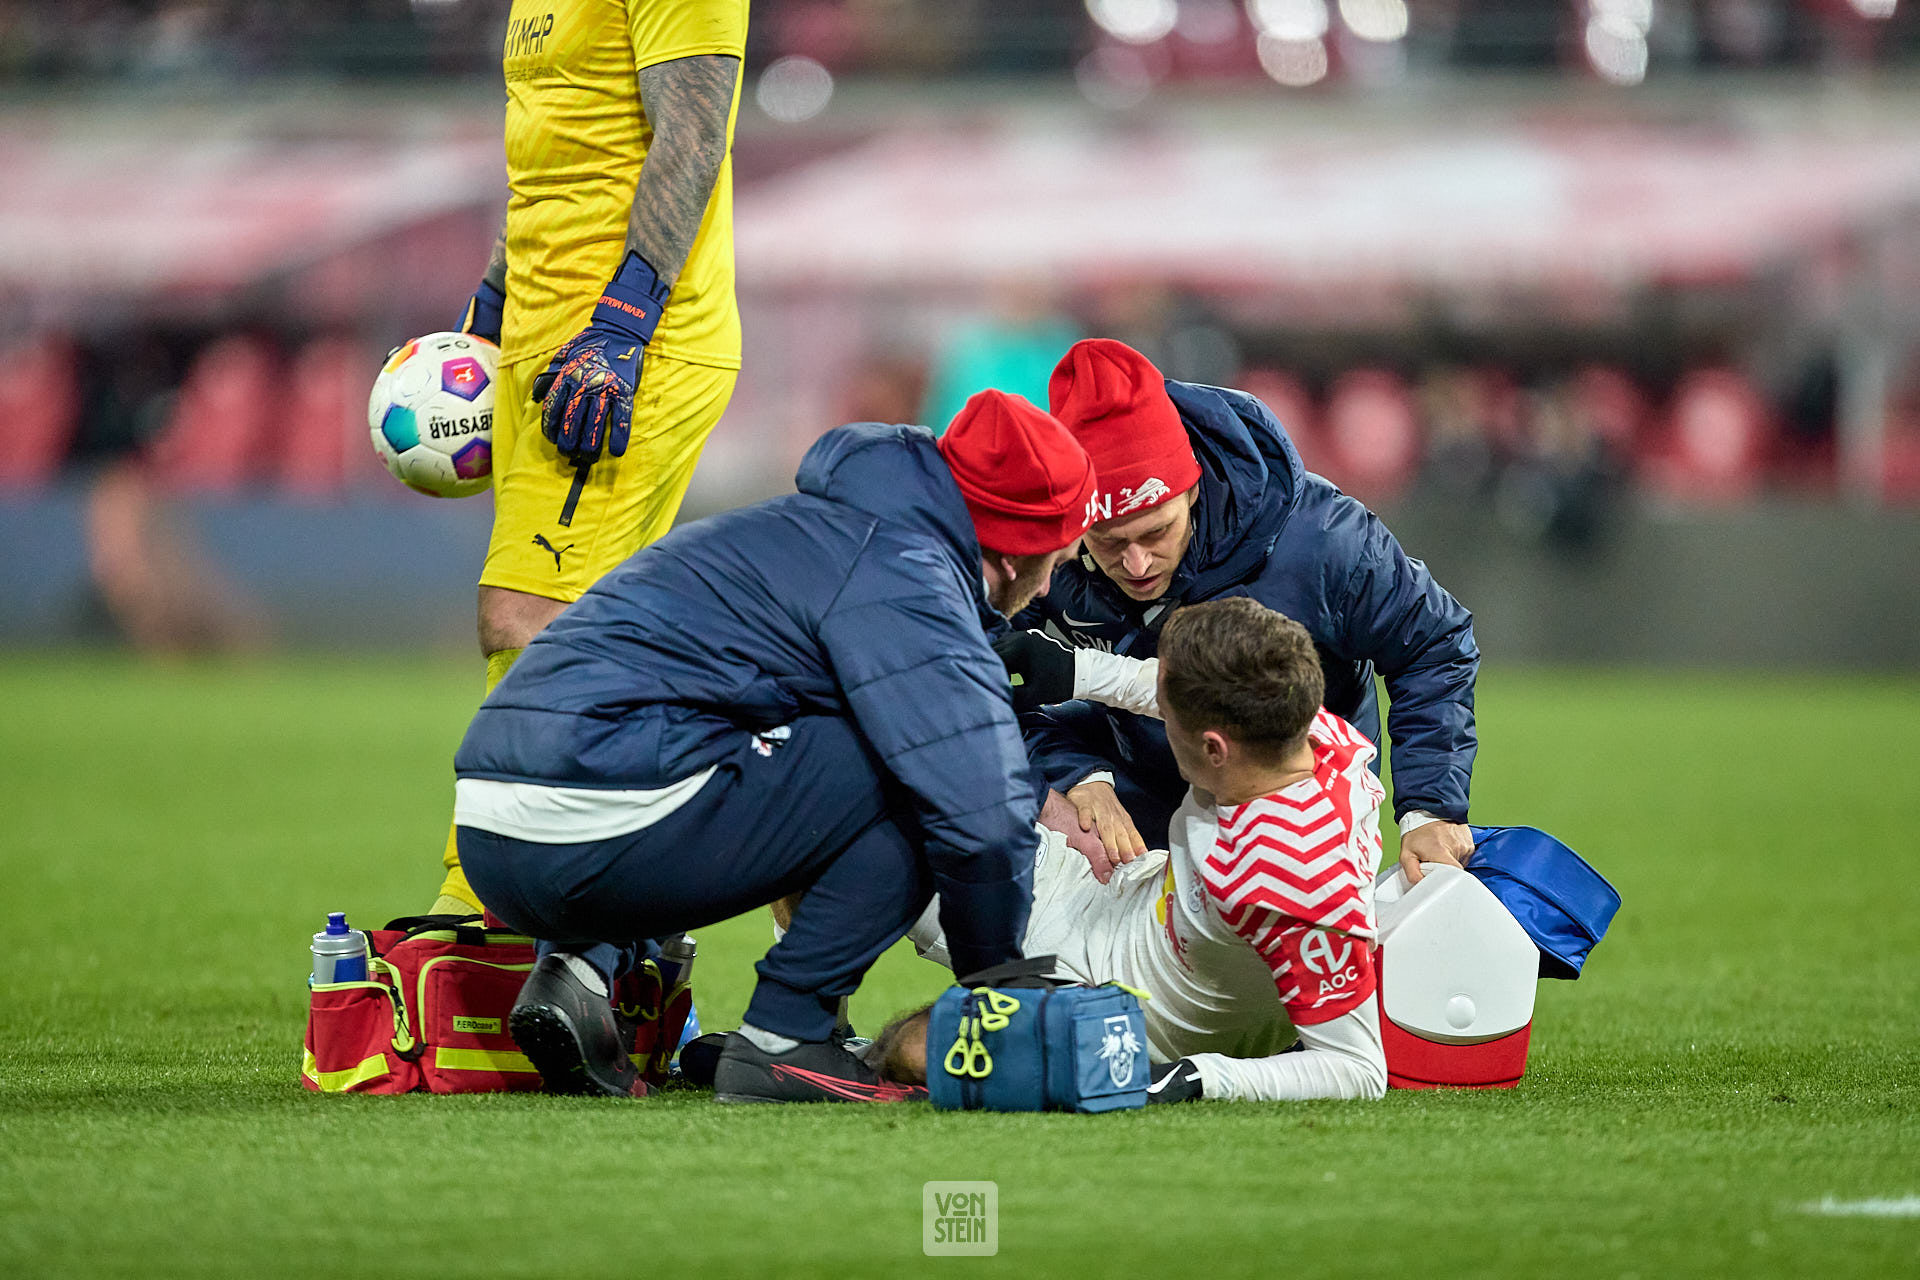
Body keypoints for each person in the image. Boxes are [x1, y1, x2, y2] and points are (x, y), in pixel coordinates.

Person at [452, 392, 1100, 1102]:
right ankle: (789, 1034)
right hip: (600, 819)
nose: (1058, 571)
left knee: (770, 736)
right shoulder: (907, 574)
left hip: (493, 830)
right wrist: (997, 984)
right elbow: (979, 812)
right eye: (1061, 551)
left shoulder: (810, 529)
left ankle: (576, 971)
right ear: (1014, 552)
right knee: (913, 766)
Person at [431, 0, 749, 916]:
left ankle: (485, 913)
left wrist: (624, 322)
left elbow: (693, 129)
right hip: (544, 334)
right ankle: (620, 925)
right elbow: (554, 159)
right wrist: (491, 308)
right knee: (591, 634)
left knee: (532, 619)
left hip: (617, 350)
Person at [878, 598, 1388, 1102]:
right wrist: (1077, 670)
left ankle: (846, 1057)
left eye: (1168, 720)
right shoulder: (1306, 730)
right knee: (854, 811)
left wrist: (1200, 1076)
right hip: (1112, 889)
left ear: (1214, 748)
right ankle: (803, 1038)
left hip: (1120, 1011)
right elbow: (1162, 688)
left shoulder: (1296, 876)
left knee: (917, 1050)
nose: (1159, 722)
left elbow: (1359, 1070)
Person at [1012, 338, 1479, 887]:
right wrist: (1077, 776)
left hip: (1299, 791)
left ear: (1190, 489)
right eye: (1108, 541)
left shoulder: (1322, 542)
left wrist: (1430, 808)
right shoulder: (1043, 546)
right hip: (1133, 786)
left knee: (1258, 956)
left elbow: (1433, 642)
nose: (1136, 564)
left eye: (1156, 532)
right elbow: (971, 675)